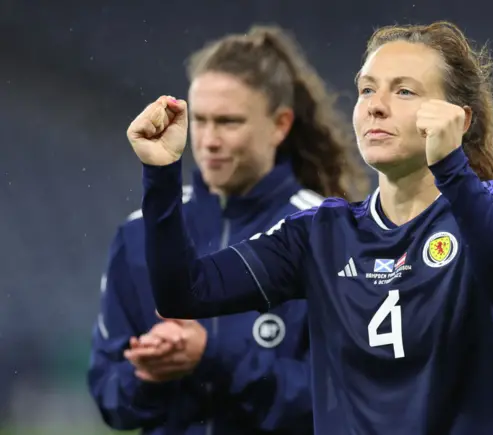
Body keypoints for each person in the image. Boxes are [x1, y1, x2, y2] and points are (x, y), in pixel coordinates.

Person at [128, 21, 493, 435]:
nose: (376, 104)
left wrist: (451, 169)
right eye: (367, 89)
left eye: (404, 91)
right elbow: (184, 291)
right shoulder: (321, 234)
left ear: (458, 119)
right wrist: (161, 174)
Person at [88, 25, 367, 435]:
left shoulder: (330, 234)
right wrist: (148, 376)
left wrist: (213, 357)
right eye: (199, 120)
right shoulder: (139, 236)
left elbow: (346, 400)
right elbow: (110, 398)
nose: (209, 140)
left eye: (229, 122)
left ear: (280, 125)